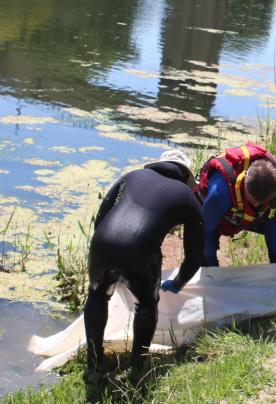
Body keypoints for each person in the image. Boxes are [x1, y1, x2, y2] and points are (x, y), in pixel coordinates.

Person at [83, 149, 204, 381]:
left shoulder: (130, 176)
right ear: (185, 177)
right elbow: (195, 255)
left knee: (97, 297)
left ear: (157, 165)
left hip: (101, 242)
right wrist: (178, 283)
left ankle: (94, 367)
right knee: (146, 305)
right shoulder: (188, 197)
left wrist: (110, 263)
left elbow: (100, 217)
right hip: (140, 250)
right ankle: (137, 367)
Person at [196, 142, 276, 280]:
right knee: (202, 248)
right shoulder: (220, 193)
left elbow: (272, 220)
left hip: (252, 216)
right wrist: (214, 270)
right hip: (218, 216)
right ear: (243, 183)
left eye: (261, 202)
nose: (256, 204)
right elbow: (204, 232)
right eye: (252, 199)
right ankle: (210, 287)